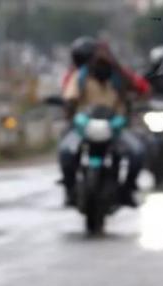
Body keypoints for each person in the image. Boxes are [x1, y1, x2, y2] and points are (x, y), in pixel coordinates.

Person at [58, 45, 145, 207]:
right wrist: (70, 113)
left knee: (137, 153)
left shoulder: (120, 77)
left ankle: (127, 190)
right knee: (65, 152)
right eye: (99, 61)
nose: (102, 65)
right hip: (84, 126)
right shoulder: (80, 77)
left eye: (106, 61)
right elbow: (70, 97)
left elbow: (140, 89)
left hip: (115, 126)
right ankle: (70, 190)